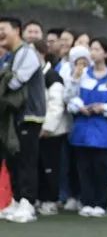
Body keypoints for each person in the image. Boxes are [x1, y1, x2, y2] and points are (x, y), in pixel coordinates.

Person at [64, 39, 107, 218]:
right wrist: (79, 106)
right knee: (84, 168)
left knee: (102, 168)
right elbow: (69, 97)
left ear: (106, 53)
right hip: (83, 128)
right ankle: (87, 201)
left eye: (97, 49)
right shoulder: (82, 74)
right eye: (91, 49)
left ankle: (102, 203)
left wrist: (103, 108)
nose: (93, 53)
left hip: (104, 131)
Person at [0, 16, 45, 223]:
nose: (0, 34)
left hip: (29, 115)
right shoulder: (11, 55)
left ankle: (28, 202)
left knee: (27, 160)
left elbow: (14, 82)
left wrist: (4, 78)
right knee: (14, 159)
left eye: (3, 29)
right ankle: (16, 200)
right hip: (14, 115)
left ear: (17, 30)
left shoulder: (27, 53)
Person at [36, 38, 68, 216]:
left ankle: (50, 200)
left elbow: (56, 105)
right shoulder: (32, 75)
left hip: (52, 132)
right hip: (34, 128)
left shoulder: (52, 76)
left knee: (50, 166)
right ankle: (38, 197)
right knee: (36, 165)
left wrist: (47, 127)